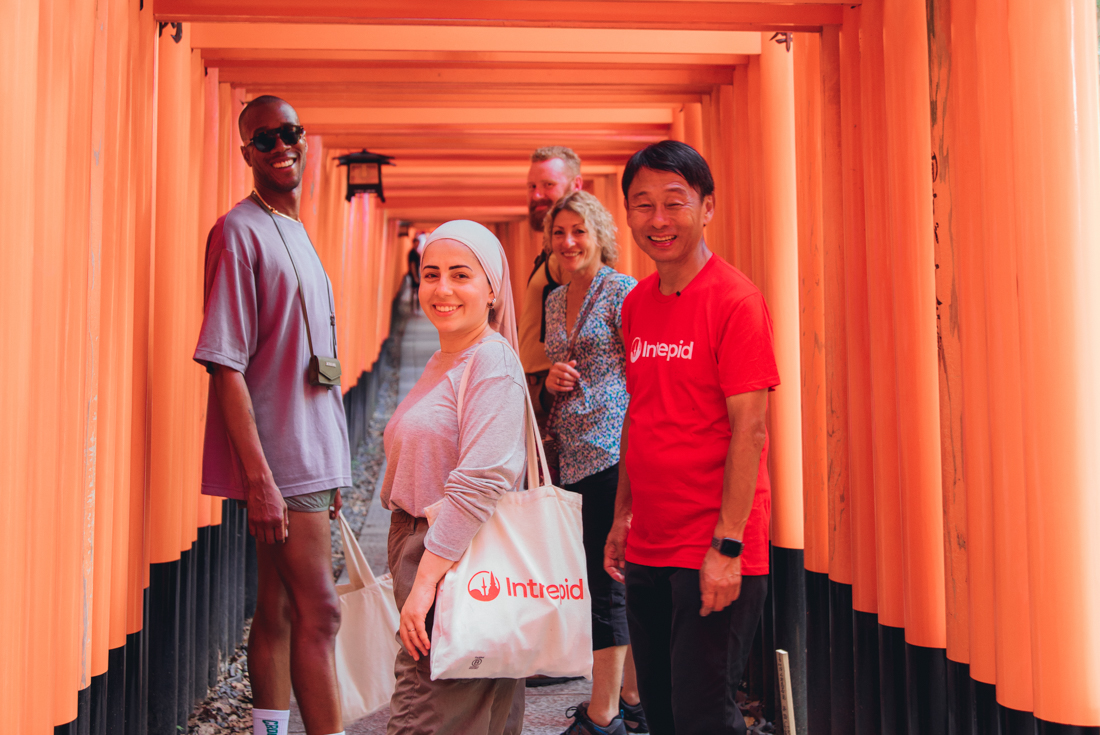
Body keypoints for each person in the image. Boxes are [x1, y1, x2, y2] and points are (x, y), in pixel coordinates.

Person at [604, 141, 779, 735]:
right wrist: (622, 515)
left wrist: (727, 549)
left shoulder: (736, 301)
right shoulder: (635, 306)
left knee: (705, 717)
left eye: (674, 203)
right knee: (661, 712)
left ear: (707, 207)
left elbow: (750, 430)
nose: (658, 220)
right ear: (627, 213)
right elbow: (638, 415)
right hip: (649, 544)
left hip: (714, 547)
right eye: (643, 204)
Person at [193, 95, 350, 735]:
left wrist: (338, 460)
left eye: (290, 132)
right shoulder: (237, 232)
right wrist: (259, 478)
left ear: (305, 138)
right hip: (283, 455)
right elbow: (225, 363)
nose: (282, 145)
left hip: (315, 450)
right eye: (265, 138)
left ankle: (269, 731)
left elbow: (319, 356)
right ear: (246, 153)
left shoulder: (296, 228)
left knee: (281, 606)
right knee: (324, 613)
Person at [381, 220, 528, 735]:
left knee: (425, 715)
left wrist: (424, 583)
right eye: (431, 274)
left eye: (461, 275)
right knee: (473, 718)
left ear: (492, 289)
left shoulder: (490, 363)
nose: (442, 289)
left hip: (454, 561)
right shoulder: (449, 356)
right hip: (435, 551)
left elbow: (482, 480)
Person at [539, 192, 646, 735]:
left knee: (607, 581)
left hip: (612, 451)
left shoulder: (623, 293)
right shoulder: (556, 298)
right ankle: (632, 701)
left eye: (579, 231)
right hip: (570, 453)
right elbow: (553, 363)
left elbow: (642, 373)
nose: (568, 242)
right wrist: (554, 377)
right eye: (560, 232)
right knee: (589, 575)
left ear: (600, 234)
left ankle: (601, 716)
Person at [518, 146, 584, 417]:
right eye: (532, 185)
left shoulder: (571, 254)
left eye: (548, 185)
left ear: (576, 185)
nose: (536, 194)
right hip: (540, 389)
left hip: (554, 394)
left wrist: (548, 392)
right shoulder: (551, 252)